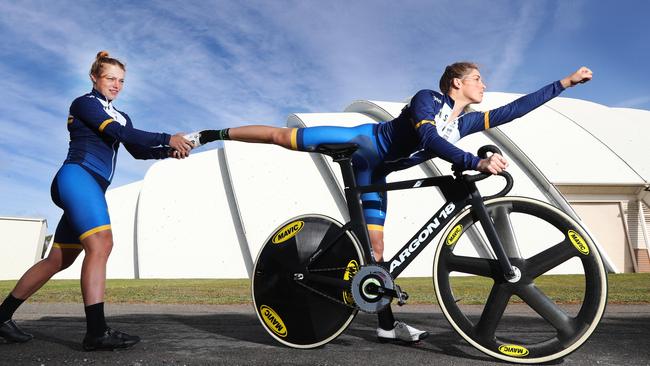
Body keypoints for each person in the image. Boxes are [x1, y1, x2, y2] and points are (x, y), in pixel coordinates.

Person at [190, 62, 593, 344]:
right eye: (477, 78)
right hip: (360, 143)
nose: (483, 85)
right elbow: (429, 140)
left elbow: (511, 110)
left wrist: (565, 83)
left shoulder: (463, 121)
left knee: (377, 254)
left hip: (375, 174)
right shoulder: (426, 101)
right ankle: (211, 132)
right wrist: (474, 161)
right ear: (455, 82)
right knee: (283, 137)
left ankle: (385, 325)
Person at [0, 51, 194, 350]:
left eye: (121, 81)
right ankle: (96, 332)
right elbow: (115, 132)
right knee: (101, 243)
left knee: (58, 260)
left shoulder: (122, 115)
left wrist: (169, 151)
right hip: (77, 177)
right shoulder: (85, 104)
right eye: (110, 78)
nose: (116, 85)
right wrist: (168, 137)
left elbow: (137, 149)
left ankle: (1, 318)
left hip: (89, 187)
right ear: (95, 77)